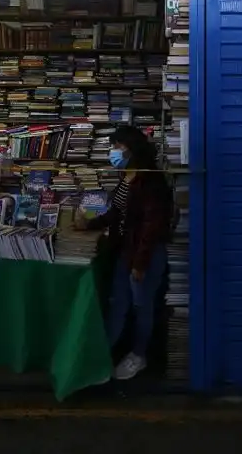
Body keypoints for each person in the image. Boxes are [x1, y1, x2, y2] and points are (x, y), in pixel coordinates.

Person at [74, 125, 171, 381]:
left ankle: (139, 355)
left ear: (132, 148)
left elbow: (152, 226)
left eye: (118, 146)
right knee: (118, 303)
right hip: (125, 252)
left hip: (144, 255)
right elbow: (117, 212)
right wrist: (90, 224)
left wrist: (140, 264)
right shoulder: (126, 176)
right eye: (113, 146)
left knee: (142, 306)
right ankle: (104, 352)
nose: (113, 151)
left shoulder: (150, 180)